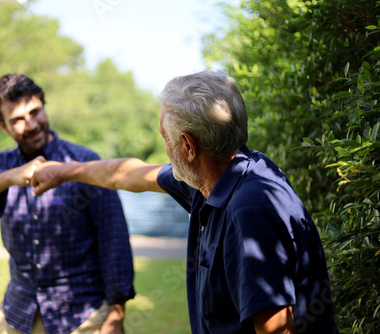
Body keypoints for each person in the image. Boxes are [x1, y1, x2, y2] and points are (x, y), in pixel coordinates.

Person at [31, 70, 339, 334]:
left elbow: (279, 330)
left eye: (165, 137)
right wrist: (61, 172)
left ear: (189, 146)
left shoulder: (248, 213)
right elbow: (126, 175)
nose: (164, 147)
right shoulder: (218, 175)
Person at [0, 74, 135, 334]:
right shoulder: (1, 166)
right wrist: (10, 177)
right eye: (17, 119)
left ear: (43, 105)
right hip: (18, 314)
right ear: (2, 125)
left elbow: (113, 238)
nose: (31, 124)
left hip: (83, 315)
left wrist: (116, 315)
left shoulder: (84, 161)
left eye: (35, 111)